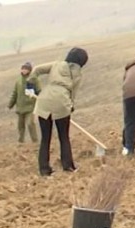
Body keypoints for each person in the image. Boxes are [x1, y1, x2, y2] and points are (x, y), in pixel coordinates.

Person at [31, 47, 88, 176]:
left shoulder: (56, 64)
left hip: (44, 100)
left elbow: (37, 70)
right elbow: (73, 93)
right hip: (62, 102)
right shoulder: (78, 74)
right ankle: (68, 166)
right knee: (64, 136)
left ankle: (44, 170)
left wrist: (31, 84)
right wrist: (71, 105)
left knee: (45, 138)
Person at [7, 62, 40, 144]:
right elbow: (15, 93)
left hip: (30, 107)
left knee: (30, 124)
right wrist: (10, 104)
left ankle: (35, 141)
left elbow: (39, 91)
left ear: (29, 70)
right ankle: (21, 141)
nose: (24, 70)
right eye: (23, 69)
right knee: (20, 126)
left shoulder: (34, 80)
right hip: (20, 107)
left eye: (26, 69)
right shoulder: (18, 81)